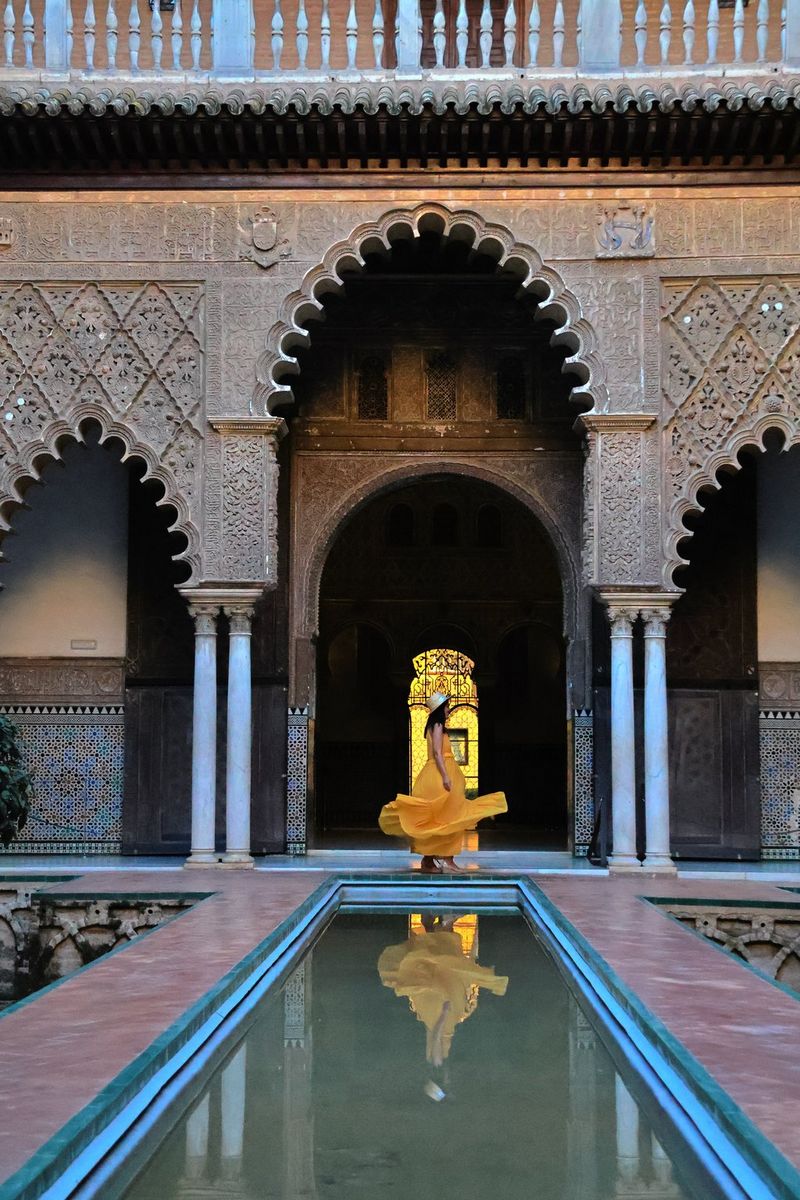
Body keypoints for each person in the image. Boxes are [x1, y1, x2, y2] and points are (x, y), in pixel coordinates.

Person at [378, 692, 507, 872]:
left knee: (441, 818)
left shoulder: (433, 726)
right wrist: (445, 776)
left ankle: (430, 861)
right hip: (439, 775)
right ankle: (445, 859)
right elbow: (438, 753)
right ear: (439, 709)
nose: (448, 710)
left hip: (436, 773)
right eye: (446, 706)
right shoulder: (437, 725)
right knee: (449, 816)